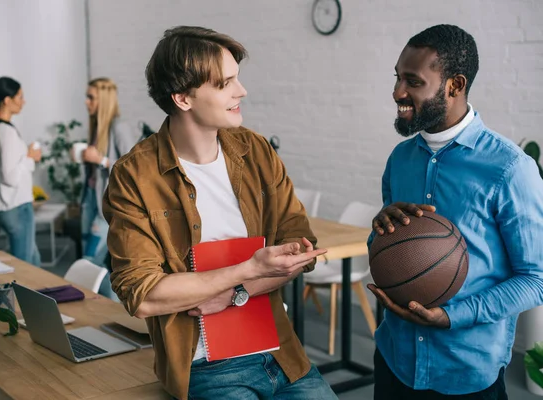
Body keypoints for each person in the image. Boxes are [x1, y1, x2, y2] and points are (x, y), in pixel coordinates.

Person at [102, 26, 337, 400]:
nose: (241, 91)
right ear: (182, 98)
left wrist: (235, 292)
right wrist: (249, 269)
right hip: (205, 366)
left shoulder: (256, 149)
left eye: (237, 79)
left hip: (280, 353)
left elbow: (300, 249)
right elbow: (143, 295)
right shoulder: (135, 176)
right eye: (226, 83)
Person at [368, 24, 543, 399]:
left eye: (412, 81)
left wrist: (453, 316)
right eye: (398, 78)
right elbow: (388, 246)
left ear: (454, 85)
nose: (398, 91)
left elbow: (536, 278)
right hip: (394, 360)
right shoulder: (400, 159)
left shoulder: (510, 168)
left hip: (466, 373)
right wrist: (379, 230)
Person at [77, 77, 137, 299]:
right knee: (90, 260)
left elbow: (133, 170)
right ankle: (106, 307)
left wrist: (101, 160)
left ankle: (107, 309)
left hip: (106, 205)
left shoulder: (119, 127)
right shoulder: (96, 127)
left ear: (103, 99)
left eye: (90, 97)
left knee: (91, 260)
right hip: (90, 202)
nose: (86, 102)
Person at [0, 77, 42, 266]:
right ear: (7, 100)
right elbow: (10, 177)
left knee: (33, 259)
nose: (23, 101)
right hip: (16, 206)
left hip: (4, 208)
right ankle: (27, 296)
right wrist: (30, 156)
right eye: (20, 97)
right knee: (26, 264)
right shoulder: (6, 133)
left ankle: (43, 294)